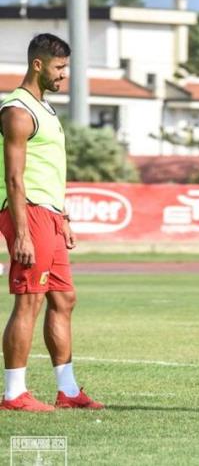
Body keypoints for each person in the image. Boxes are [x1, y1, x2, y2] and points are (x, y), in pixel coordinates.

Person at [0, 34, 104, 411]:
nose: (65, 76)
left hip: (51, 215)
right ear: (38, 65)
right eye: (60, 68)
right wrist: (23, 232)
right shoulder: (18, 111)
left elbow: (48, 170)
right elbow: (15, 178)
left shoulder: (45, 109)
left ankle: (68, 391)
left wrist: (64, 216)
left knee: (64, 299)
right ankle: (13, 394)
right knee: (29, 301)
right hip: (28, 213)